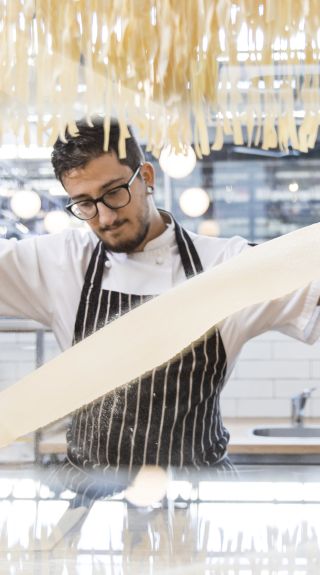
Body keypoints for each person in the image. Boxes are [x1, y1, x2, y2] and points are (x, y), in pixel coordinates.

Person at [0, 116, 320, 476]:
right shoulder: (59, 262)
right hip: (92, 501)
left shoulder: (226, 266)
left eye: (114, 193)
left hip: (197, 499)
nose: (104, 217)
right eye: (85, 204)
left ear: (147, 178)